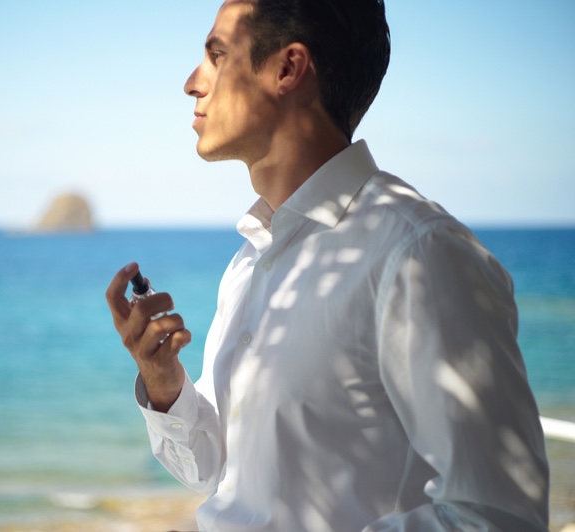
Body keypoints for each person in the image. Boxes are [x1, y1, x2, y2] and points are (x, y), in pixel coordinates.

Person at [105, 0, 550, 530]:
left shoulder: (420, 256)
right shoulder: (251, 260)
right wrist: (164, 383)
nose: (192, 83)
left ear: (287, 69)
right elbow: (220, 475)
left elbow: (499, 515)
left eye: (217, 55)